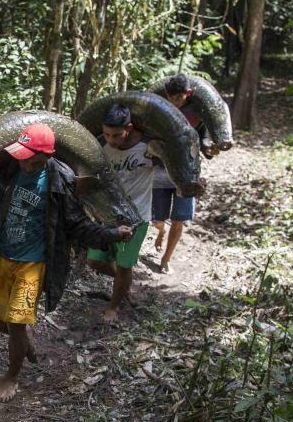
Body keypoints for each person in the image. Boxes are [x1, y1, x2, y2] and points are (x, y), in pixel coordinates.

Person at [0, 123, 133, 402]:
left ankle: (11, 378)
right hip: (0, 258)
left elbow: (77, 224)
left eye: (30, 159)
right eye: (20, 155)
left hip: (32, 264)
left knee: (17, 323)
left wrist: (111, 234)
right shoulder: (9, 169)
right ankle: (23, 342)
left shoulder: (60, 180)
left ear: (46, 156)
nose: (24, 162)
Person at [86, 104, 154, 321]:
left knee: (125, 265)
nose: (111, 140)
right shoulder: (101, 146)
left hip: (137, 217)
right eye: (106, 134)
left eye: (116, 135)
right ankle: (123, 284)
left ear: (129, 127)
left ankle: (114, 306)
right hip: (108, 216)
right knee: (94, 261)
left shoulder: (148, 147)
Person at [152, 75, 212, 274]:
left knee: (179, 219)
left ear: (188, 94)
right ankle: (160, 233)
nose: (174, 103)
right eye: (171, 98)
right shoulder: (159, 111)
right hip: (160, 171)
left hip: (187, 175)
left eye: (178, 99)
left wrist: (209, 148)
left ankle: (166, 259)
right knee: (157, 220)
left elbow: (205, 138)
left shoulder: (197, 113)